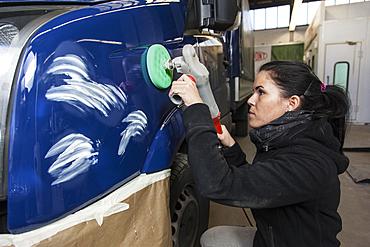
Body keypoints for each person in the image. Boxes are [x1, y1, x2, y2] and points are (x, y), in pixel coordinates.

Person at [169, 60, 350, 247]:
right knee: (213, 238)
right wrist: (232, 148)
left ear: (292, 103)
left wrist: (196, 110)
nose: (250, 100)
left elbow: (217, 184)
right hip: (275, 238)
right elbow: (259, 186)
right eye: (254, 91)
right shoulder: (285, 141)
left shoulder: (309, 162)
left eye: (261, 92)